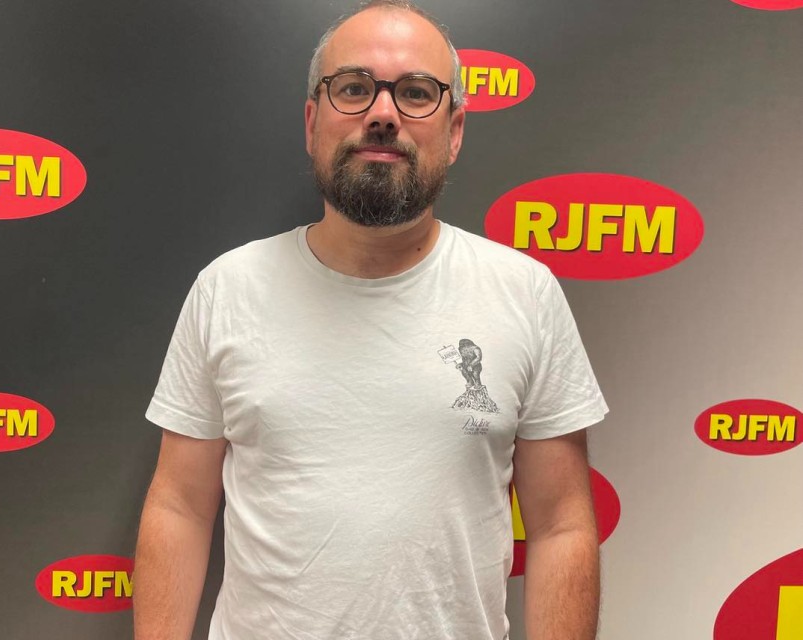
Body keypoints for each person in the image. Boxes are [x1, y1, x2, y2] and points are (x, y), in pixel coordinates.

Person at [133, 2, 608, 639]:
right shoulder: (228, 289)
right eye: (354, 89)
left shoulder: (524, 294)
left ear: (455, 131)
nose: (383, 114)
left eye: (416, 93)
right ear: (313, 122)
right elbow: (180, 508)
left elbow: (561, 526)